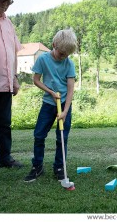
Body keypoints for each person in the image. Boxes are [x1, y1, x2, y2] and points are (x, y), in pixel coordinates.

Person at [24, 29, 77, 182]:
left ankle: (59, 167)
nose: (64, 58)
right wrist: (51, 92)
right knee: (39, 135)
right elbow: (36, 80)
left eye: (67, 55)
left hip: (64, 103)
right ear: (54, 45)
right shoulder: (43, 59)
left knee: (62, 138)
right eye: (61, 54)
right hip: (48, 103)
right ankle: (37, 166)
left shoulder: (69, 63)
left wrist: (65, 111)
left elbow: (70, 88)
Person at [0, 0, 23, 176]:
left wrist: (14, 77)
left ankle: (4, 159)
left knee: (4, 123)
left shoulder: (8, 23)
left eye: (8, 1)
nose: (5, 4)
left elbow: (13, 52)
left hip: (4, 84)